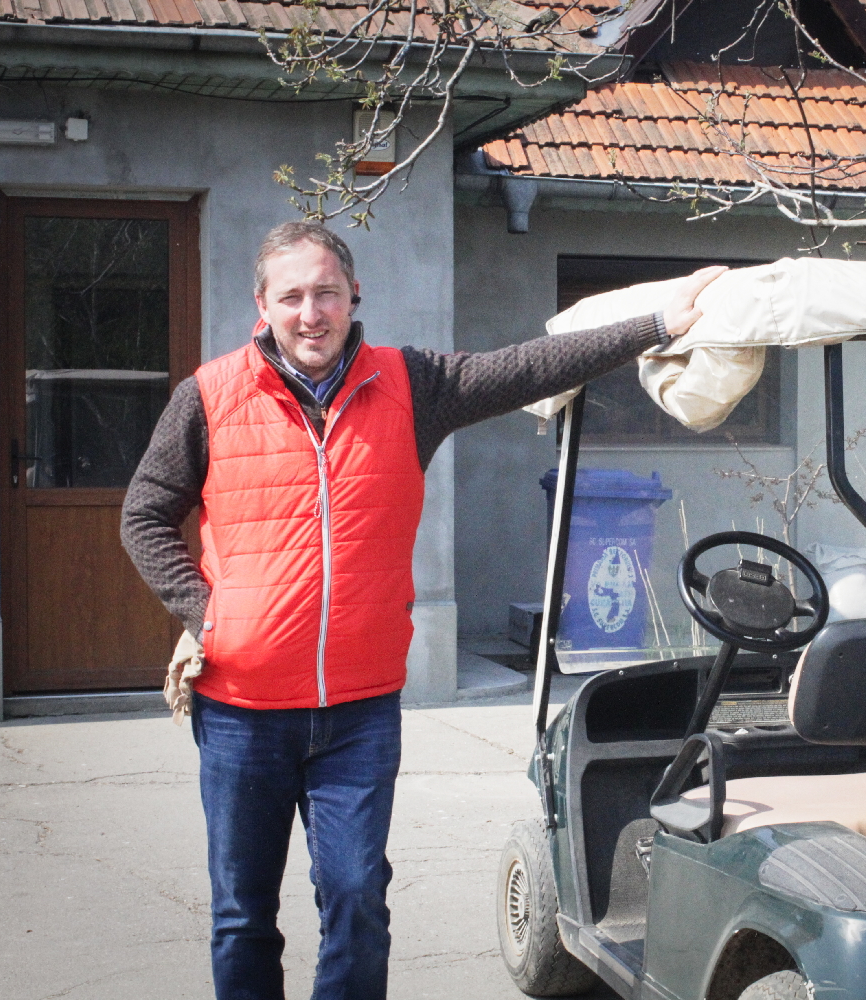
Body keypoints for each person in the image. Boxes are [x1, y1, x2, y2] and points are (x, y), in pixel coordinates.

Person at [120, 220, 723, 1000]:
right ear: (261, 306)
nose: (312, 313)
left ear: (354, 296)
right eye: (293, 296)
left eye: (327, 293)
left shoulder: (411, 386)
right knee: (243, 916)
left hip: (359, 713)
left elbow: (527, 367)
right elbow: (144, 511)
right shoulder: (207, 397)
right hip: (242, 711)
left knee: (358, 904)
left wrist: (656, 324)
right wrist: (208, 615)